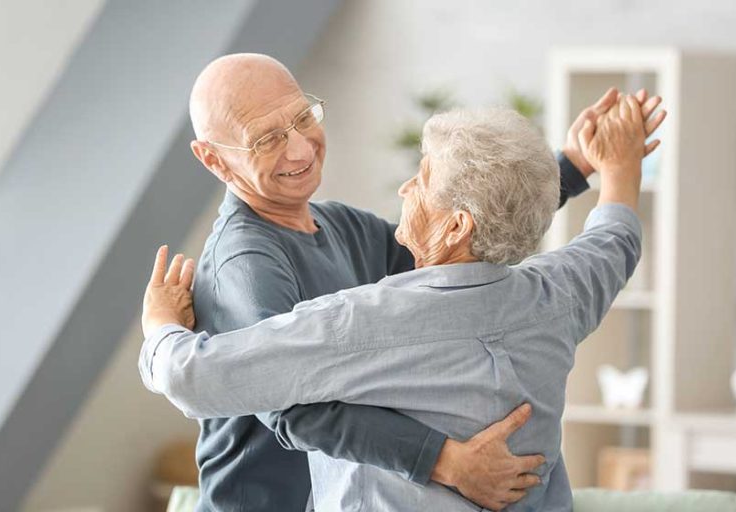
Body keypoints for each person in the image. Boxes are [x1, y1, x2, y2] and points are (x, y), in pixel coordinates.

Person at [145, 53, 664, 511]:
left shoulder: (348, 250)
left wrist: (572, 166)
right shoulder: (248, 264)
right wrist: (445, 461)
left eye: (303, 117)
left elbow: (466, 235)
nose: (301, 148)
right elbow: (282, 403)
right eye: (267, 139)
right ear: (213, 158)